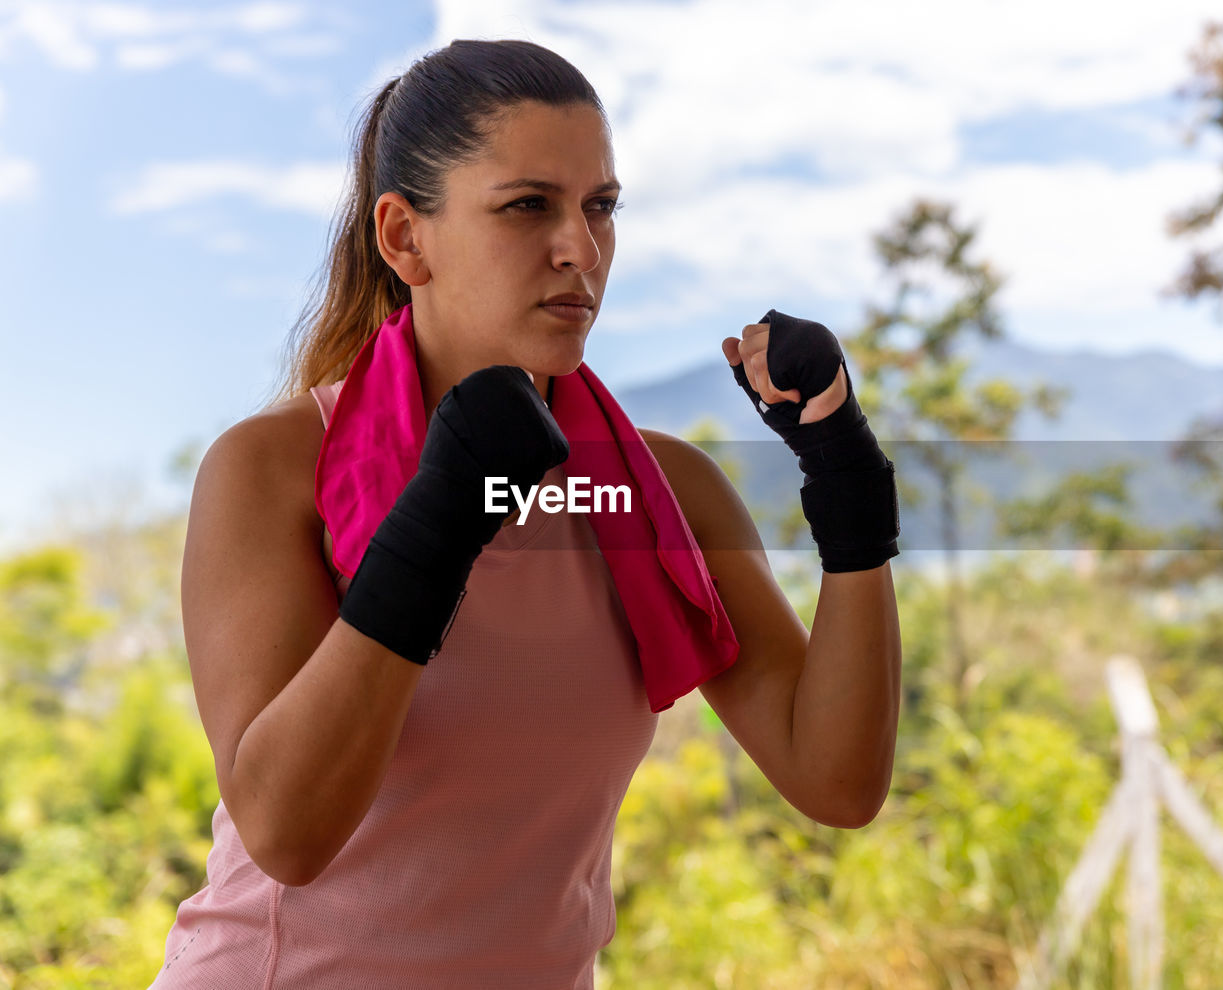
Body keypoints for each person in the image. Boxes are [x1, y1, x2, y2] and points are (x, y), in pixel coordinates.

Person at [149, 38, 903, 990]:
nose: (580, 251)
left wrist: (846, 481)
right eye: (526, 207)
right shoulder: (269, 471)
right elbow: (288, 833)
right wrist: (438, 518)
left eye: (601, 208)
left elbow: (835, 780)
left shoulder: (663, 491)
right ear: (404, 238)